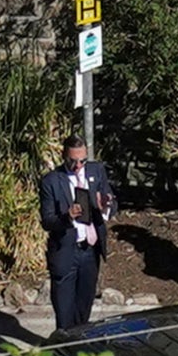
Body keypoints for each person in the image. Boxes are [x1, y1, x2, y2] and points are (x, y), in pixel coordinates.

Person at [37, 131, 114, 338]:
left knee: (84, 311)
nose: (79, 166)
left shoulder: (96, 171)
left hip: (90, 251)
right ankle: (63, 351)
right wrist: (67, 216)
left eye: (83, 160)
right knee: (64, 314)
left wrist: (105, 204)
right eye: (73, 162)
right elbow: (47, 221)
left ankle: (79, 351)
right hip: (66, 251)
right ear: (64, 156)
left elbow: (112, 202)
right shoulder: (51, 181)